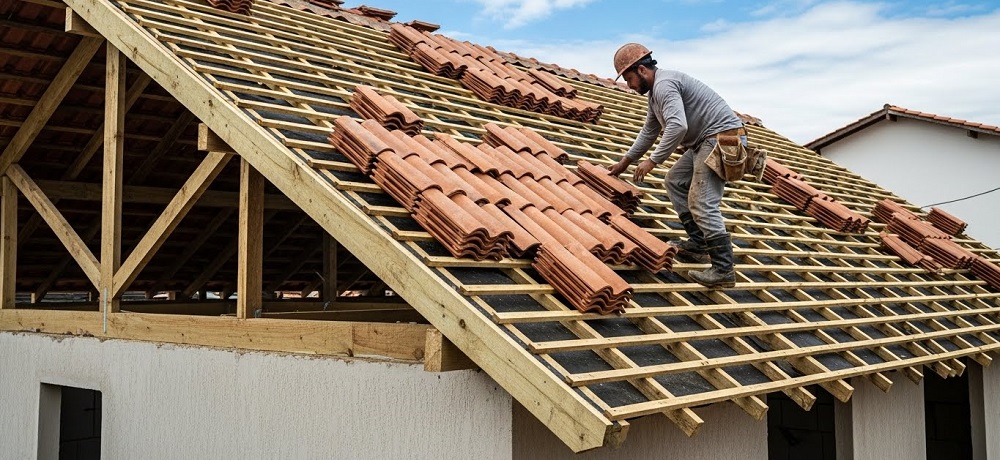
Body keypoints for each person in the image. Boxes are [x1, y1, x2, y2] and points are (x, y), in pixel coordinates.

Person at [607, 43, 744, 289]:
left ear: (641, 70)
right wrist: (624, 163)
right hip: (704, 141)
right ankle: (699, 243)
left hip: (722, 138)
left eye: (629, 79)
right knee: (675, 181)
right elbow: (649, 132)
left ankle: (724, 270)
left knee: (702, 201)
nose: (629, 86)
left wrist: (653, 160)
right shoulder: (655, 95)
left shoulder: (664, 85)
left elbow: (678, 126)